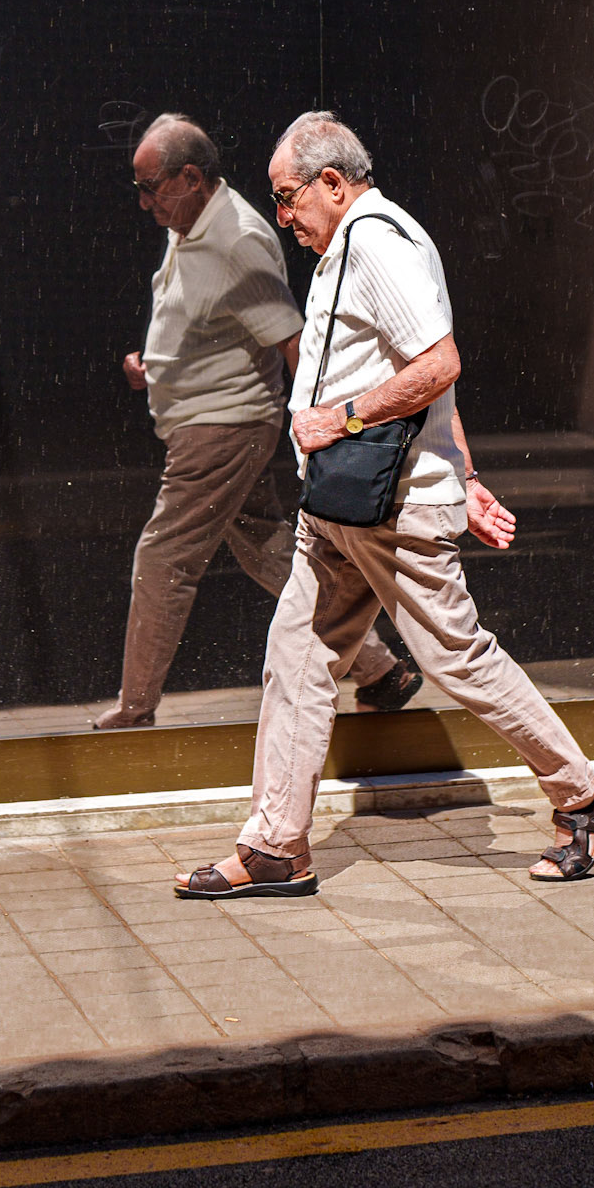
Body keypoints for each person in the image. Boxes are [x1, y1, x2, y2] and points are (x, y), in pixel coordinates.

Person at [174, 112, 594, 898]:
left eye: (289, 198)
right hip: (340, 512)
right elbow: (423, 371)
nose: (283, 218)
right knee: (296, 660)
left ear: (332, 182)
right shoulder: (356, 243)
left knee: (458, 658)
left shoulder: (378, 241)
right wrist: (469, 473)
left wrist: (343, 420)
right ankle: (278, 844)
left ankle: (585, 793)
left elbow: (438, 360)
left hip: (390, 510)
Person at [97, 113, 419, 731]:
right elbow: (204, 316)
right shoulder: (188, 224)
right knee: (270, 549)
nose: (143, 203)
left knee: (164, 556)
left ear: (191, 177)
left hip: (224, 427)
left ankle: (135, 710)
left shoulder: (238, 239)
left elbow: (291, 339)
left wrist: (323, 428)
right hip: (204, 418)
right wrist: (156, 364)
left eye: (151, 186)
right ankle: (381, 669)